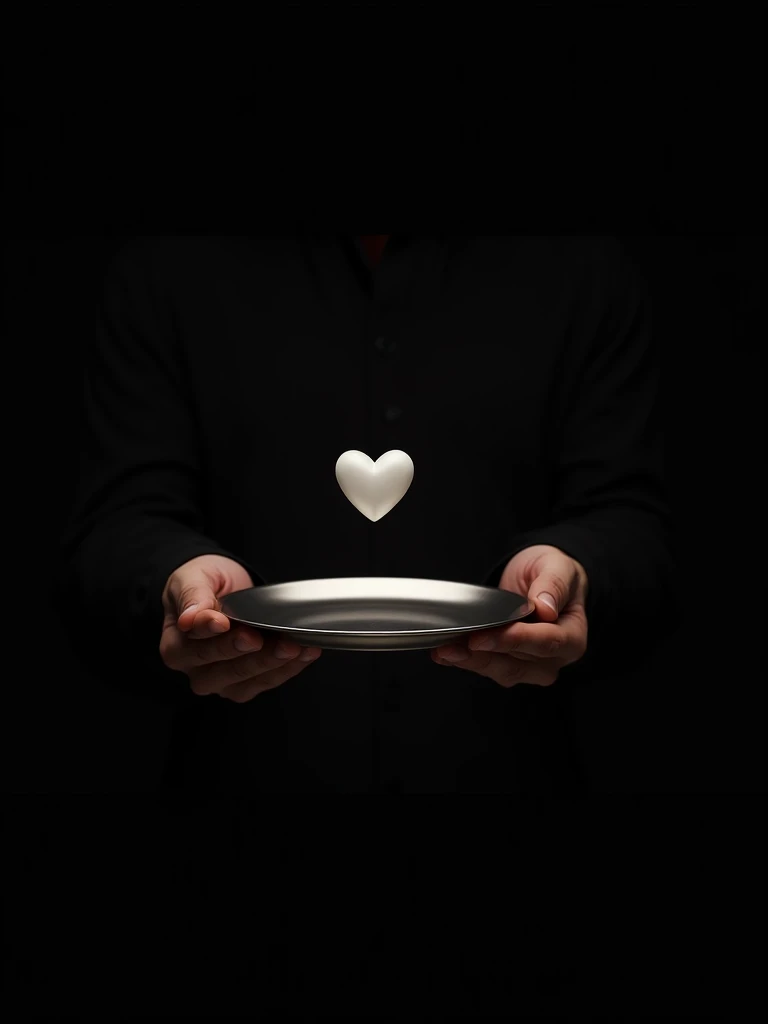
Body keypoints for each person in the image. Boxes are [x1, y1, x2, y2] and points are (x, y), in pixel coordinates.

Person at [58, 234, 675, 793]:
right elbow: (116, 525)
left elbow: (632, 522)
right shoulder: (169, 261)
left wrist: (576, 569)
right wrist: (176, 576)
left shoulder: (582, 264)